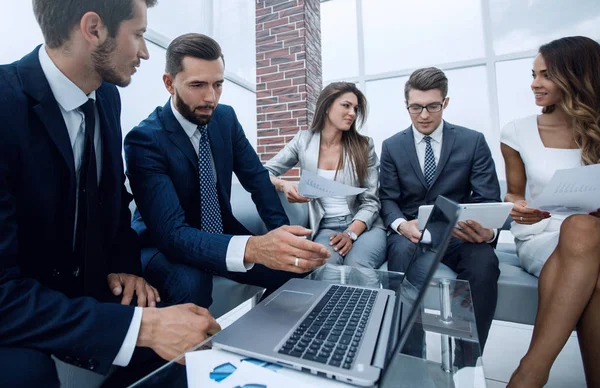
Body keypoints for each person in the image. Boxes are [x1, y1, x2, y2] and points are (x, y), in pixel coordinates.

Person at [0, 1, 221, 387]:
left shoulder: (105, 98)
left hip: (87, 283)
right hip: (23, 298)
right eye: (138, 35)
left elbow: (111, 194)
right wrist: (141, 328)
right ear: (93, 28)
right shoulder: (5, 105)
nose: (145, 52)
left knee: (186, 340)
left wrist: (124, 264)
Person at [124, 33, 329, 309]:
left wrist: (283, 236)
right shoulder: (145, 139)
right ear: (169, 83)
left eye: (218, 84)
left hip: (220, 235)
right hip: (163, 245)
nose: (211, 97)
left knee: (296, 265)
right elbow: (172, 234)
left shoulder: (226, 119)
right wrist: (254, 248)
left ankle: (263, 339)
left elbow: (257, 179)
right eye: (197, 85)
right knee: (192, 284)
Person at [379, 67, 501, 351]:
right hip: (411, 233)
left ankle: (468, 358)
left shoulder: (473, 141)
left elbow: (487, 197)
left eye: (432, 106)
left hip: (459, 235)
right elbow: (387, 198)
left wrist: (487, 231)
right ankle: (408, 355)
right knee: (399, 254)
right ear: (406, 105)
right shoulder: (392, 146)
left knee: (484, 265)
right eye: (416, 107)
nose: (423, 115)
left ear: (445, 102)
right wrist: (400, 225)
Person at [502, 36, 600, 388]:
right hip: (542, 234)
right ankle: (531, 374)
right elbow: (514, 193)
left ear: (576, 77)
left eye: (546, 75)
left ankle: (530, 372)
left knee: (587, 233)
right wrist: (519, 207)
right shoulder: (516, 131)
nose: (534, 84)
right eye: (533, 74)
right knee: (581, 229)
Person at [265, 82, 387, 269]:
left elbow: (371, 201)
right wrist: (284, 185)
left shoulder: (364, 146)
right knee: (324, 265)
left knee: (357, 265)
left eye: (355, 108)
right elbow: (263, 173)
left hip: (363, 226)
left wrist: (350, 233)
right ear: (327, 106)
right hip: (325, 227)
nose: (353, 113)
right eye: (346, 105)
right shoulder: (303, 141)